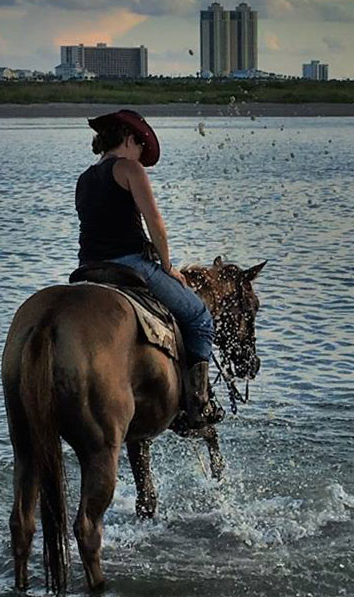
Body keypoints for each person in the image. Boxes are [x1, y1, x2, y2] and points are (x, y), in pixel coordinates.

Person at [74, 109, 216, 429]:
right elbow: (155, 224)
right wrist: (168, 266)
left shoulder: (85, 178)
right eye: (140, 145)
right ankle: (197, 405)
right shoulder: (129, 168)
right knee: (200, 318)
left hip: (88, 268)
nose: (140, 154)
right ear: (128, 139)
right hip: (129, 265)